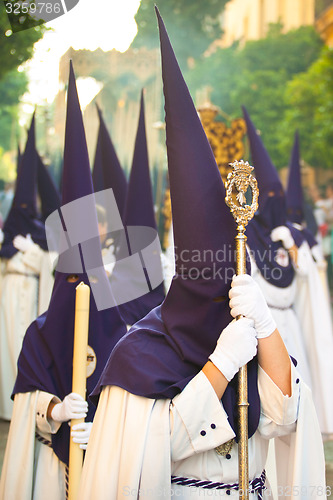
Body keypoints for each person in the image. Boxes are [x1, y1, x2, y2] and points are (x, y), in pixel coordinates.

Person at [78, 9, 326, 499]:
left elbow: (285, 413)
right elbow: (163, 443)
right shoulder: (139, 354)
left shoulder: (246, 333)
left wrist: (264, 326)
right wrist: (221, 364)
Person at [0, 61, 128, 500]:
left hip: (105, 466)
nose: (81, 288)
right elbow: (26, 405)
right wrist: (54, 408)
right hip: (52, 475)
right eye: (71, 278)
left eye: (88, 278)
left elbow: (135, 401)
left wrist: (103, 424)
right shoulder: (39, 335)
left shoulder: (122, 333)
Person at [242, 107, 312, 391]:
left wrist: (291, 242)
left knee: (298, 385)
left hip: (290, 318)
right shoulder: (250, 238)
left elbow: (305, 269)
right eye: (268, 196)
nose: (274, 201)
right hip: (266, 319)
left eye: (277, 196)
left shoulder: (289, 233)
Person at [0, 114, 55, 421]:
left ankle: (23, 405)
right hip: (10, 291)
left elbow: (49, 261)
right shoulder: (12, 229)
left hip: (32, 292)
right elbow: (5, 258)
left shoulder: (41, 229)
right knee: (5, 346)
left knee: (24, 344)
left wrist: (33, 251)